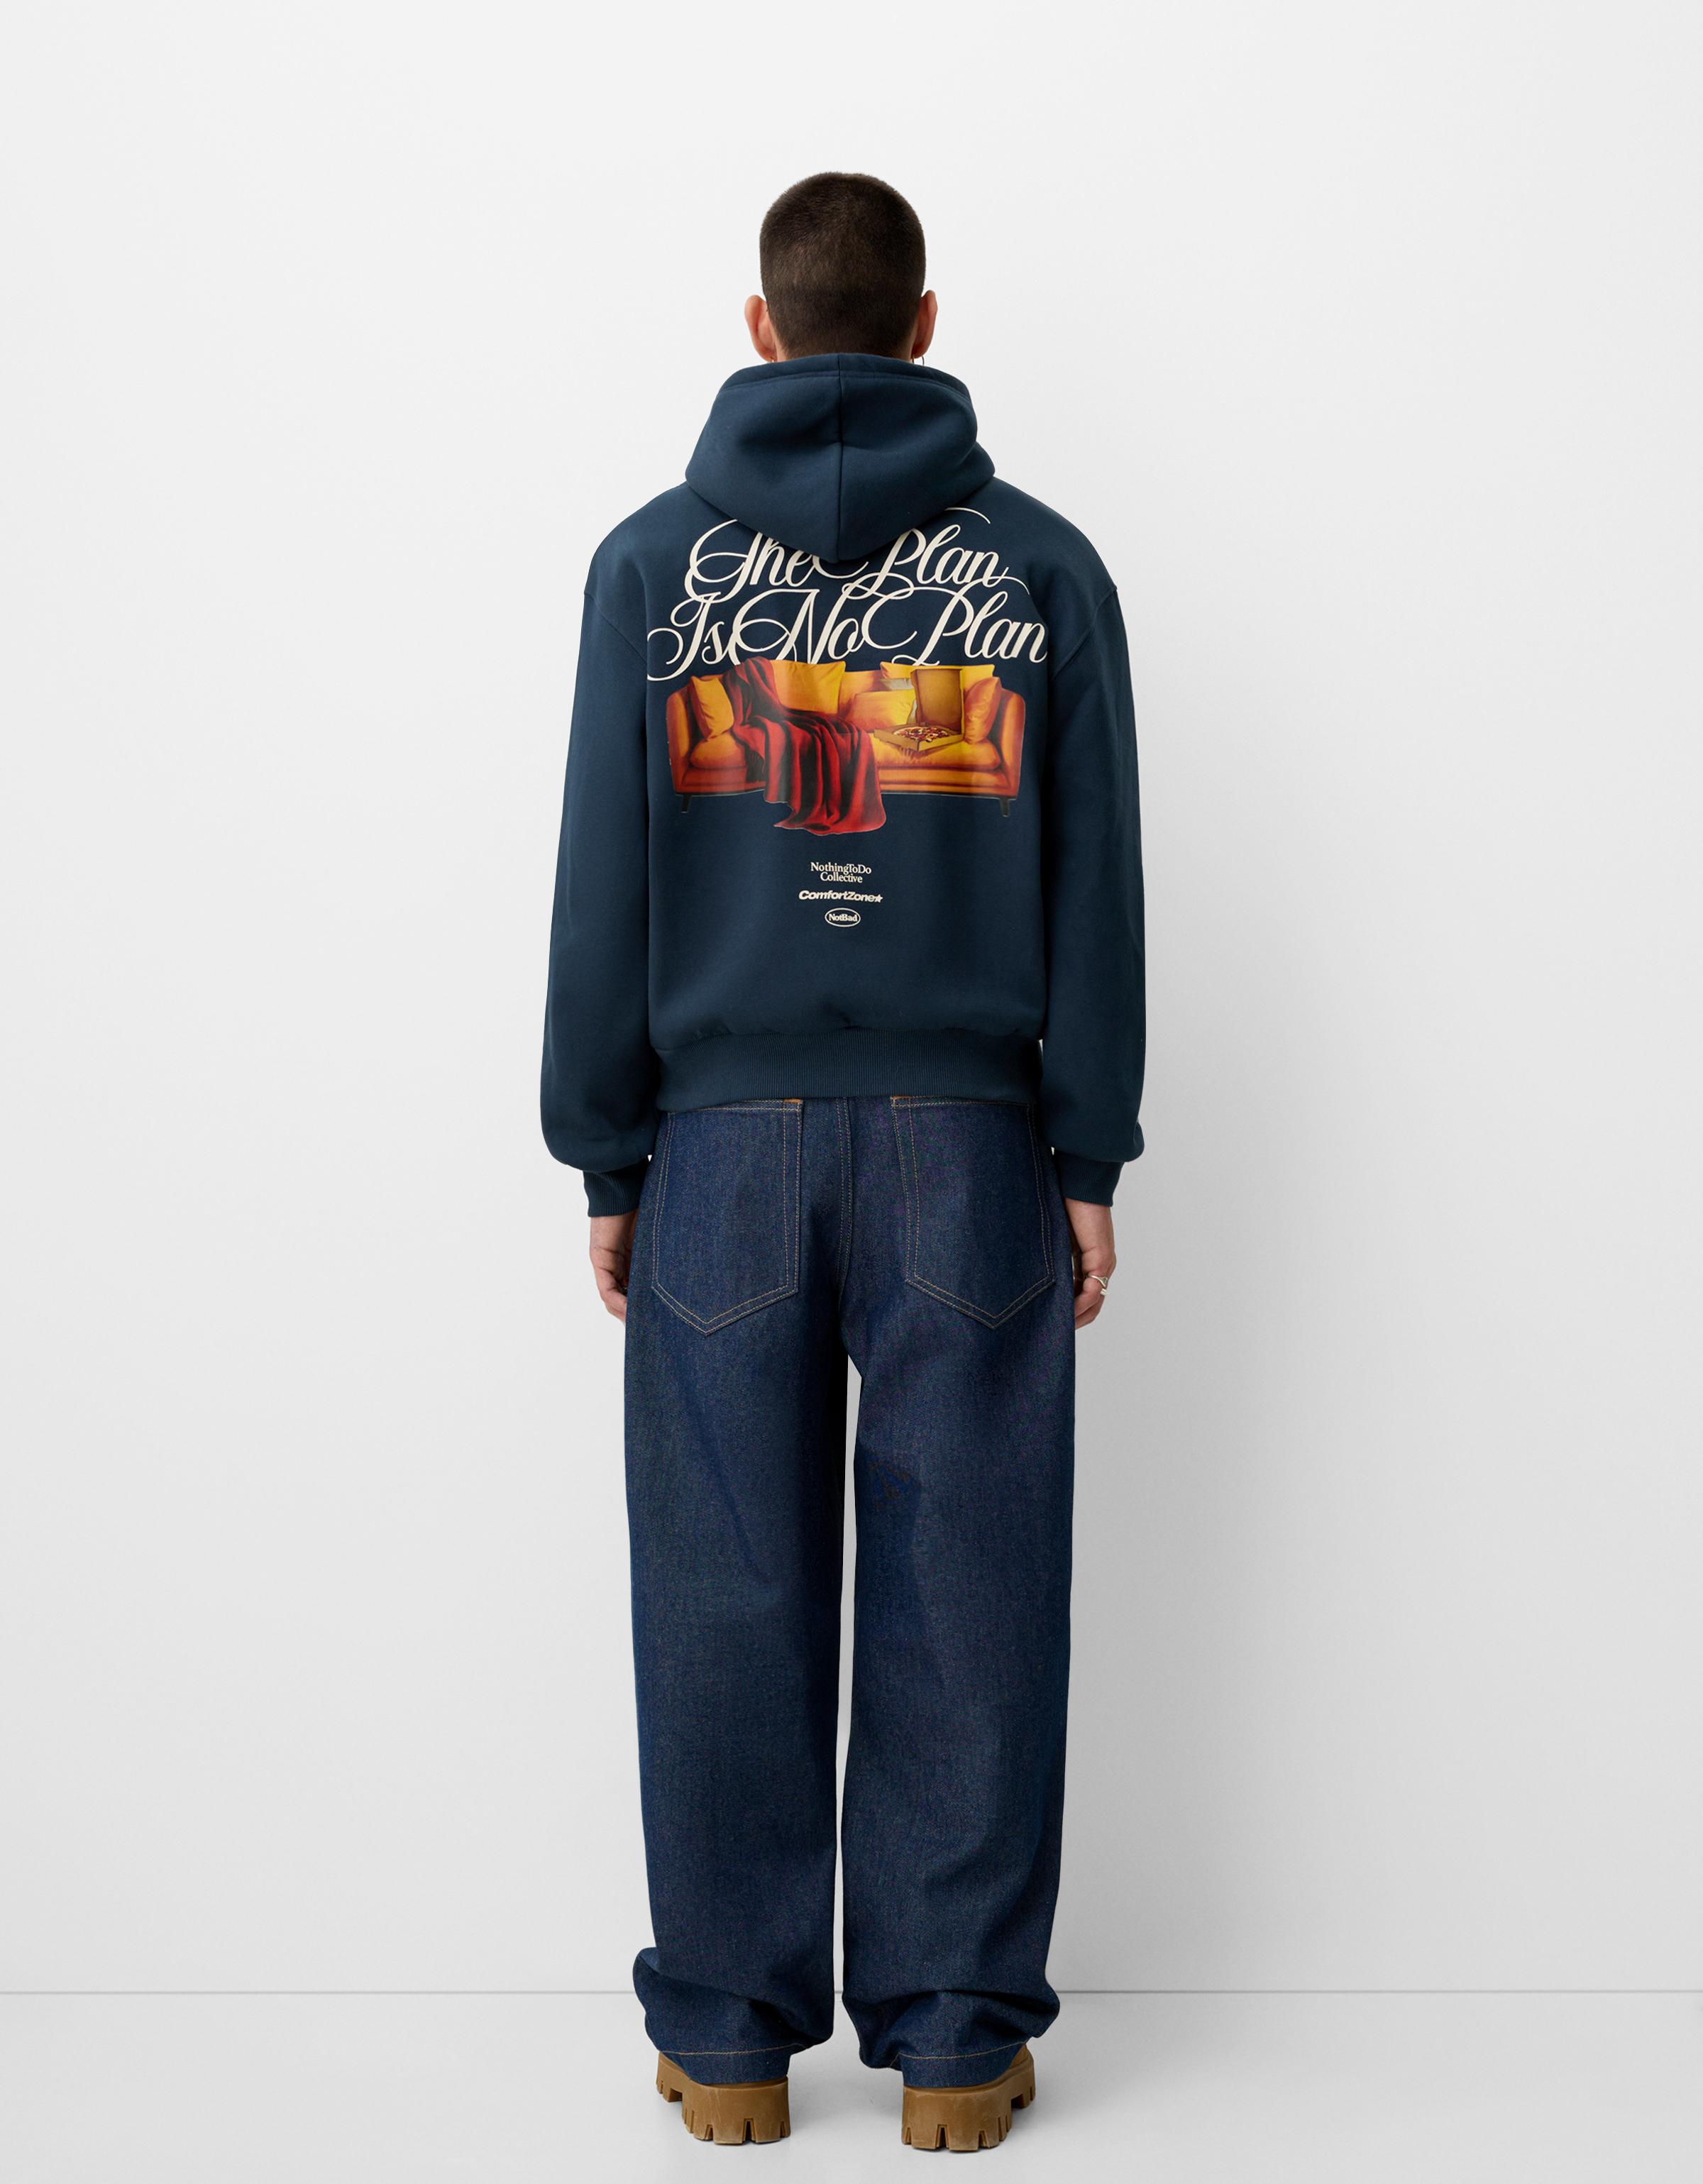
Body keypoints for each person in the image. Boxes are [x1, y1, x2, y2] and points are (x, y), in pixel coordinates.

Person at [541, 172, 1144, 2153]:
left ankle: (728, 2036)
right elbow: (1095, 882)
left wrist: (607, 1154)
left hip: (719, 1147)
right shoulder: (1043, 569)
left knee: (722, 1584)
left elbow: (605, 880)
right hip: (969, 1138)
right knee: (975, 1584)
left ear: (760, 327)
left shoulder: (650, 570)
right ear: (924, 323)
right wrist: (1089, 1145)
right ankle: (957, 2039)